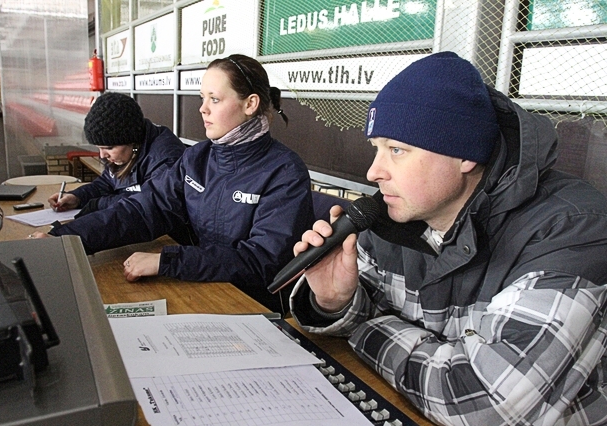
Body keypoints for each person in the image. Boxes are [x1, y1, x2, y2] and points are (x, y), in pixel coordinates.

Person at [290, 52, 607, 425]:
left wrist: (362, 326)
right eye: (377, 148)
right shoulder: (394, 215)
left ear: (464, 154)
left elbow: (484, 403)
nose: (374, 171)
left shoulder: (572, 230)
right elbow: (361, 309)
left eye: (397, 150)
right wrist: (335, 302)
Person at [42, 54, 314, 314]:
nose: (203, 108)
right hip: (204, 289)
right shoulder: (197, 158)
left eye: (215, 99)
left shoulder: (285, 172)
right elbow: (144, 209)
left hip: (255, 307)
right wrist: (65, 239)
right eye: (202, 98)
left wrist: (169, 260)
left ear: (250, 104)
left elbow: (260, 261)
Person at [47, 92, 186, 218]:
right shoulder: (129, 152)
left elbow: (145, 204)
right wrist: (77, 197)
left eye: (108, 148)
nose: (102, 155)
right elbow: (107, 182)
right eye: (99, 148)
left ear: (132, 140)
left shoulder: (167, 160)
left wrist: (98, 204)